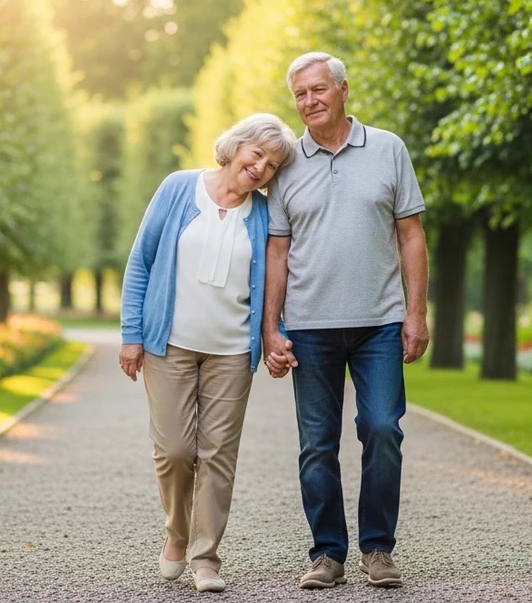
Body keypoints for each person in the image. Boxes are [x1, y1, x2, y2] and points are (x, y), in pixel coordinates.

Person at [264, 52, 430, 590]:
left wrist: (417, 311)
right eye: (300, 95)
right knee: (317, 443)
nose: (309, 102)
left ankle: (377, 548)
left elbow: (411, 235)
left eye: (318, 90)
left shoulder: (388, 149)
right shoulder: (285, 162)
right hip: (309, 327)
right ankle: (328, 553)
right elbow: (277, 252)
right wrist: (271, 328)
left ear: (343, 90)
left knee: (382, 428)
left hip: (380, 323)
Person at [119, 113, 297, 593]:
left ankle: (205, 557)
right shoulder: (179, 188)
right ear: (236, 146)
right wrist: (131, 334)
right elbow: (142, 261)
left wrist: (275, 334)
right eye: (256, 154)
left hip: (231, 352)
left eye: (273, 164)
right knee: (175, 450)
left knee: (219, 455)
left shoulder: (264, 212)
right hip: (168, 345)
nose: (261, 167)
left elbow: (274, 282)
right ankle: (176, 533)